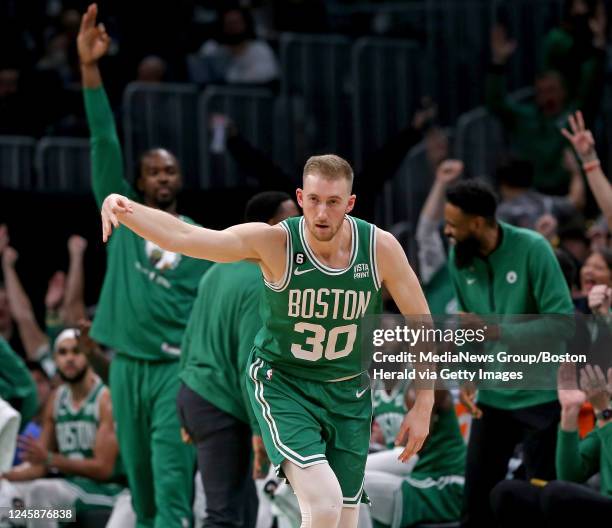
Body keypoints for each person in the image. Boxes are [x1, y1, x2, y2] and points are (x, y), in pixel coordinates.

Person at [100, 152, 435, 528]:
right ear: (300, 197)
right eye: (313, 200)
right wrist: (127, 209)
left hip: (348, 393)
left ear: (350, 203)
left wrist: (424, 402)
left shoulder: (379, 247)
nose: (321, 213)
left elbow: (421, 321)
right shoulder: (276, 242)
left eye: (332, 202)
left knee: (345, 518)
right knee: (323, 502)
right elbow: (187, 236)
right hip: (285, 384)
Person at [78, 5, 212, 527]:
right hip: (125, 368)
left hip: (174, 372)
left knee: (173, 491)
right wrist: (91, 69)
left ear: (180, 179)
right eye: (152, 171)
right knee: (142, 495)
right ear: (136, 181)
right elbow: (103, 142)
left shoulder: (201, 239)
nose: (161, 177)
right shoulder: (123, 218)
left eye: (170, 171)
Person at [443, 179, 575, 528]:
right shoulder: (460, 259)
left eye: (454, 225)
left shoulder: (533, 249)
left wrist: (498, 331)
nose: (447, 232)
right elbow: (469, 327)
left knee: (540, 505)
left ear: (477, 223)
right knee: (474, 508)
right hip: (492, 399)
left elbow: (562, 323)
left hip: (540, 396)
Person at [177, 191, 299, 528]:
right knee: (224, 515)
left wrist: (184, 407)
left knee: (243, 508)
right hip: (221, 406)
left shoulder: (217, 269)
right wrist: (261, 434)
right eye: (291, 222)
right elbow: (252, 367)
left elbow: (188, 339)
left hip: (196, 395)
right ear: (270, 228)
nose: (299, 230)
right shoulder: (262, 282)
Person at [0, 329, 124, 524]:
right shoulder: (57, 399)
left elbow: (104, 469)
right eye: (63, 353)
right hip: (69, 501)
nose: (70, 358)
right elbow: (40, 466)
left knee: (40, 493)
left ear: (87, 355)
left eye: (76, 352)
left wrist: (51, 458)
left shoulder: (104, 398)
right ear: (55, 360)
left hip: (107, 494)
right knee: (5, 506)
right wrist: (5, 475)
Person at [486, 24, 605, 194]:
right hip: (531, 193)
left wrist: (598, 46)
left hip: (567, 193)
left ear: (564, 92)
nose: (546, 96)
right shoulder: (525, 116)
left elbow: (591, 87)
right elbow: (495, 103)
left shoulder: (574, 116)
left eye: (551, 90)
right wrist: (498, 63)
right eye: (541, 91)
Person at [490, 362, 612, 526]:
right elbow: (570, 475)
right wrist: (569, 412)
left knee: (556, 494)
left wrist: (604, 414)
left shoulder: (607, 416)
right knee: (507, 493)